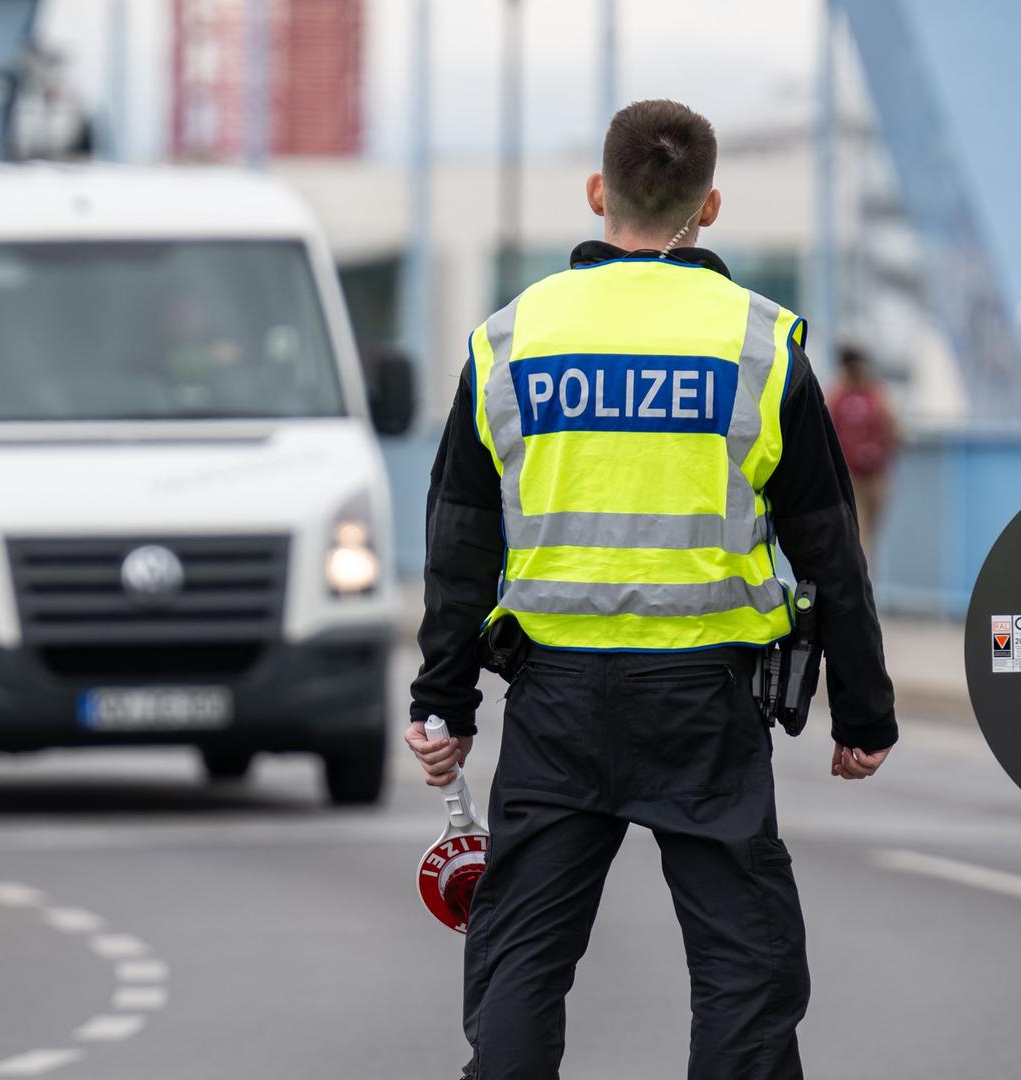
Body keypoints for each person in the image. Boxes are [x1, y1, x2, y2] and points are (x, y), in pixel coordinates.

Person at [404, 99, 898, 1080]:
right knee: (742, 968)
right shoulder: (758, 345)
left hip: (555, 702)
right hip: (705, 707)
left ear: (599, 194)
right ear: (709, 206)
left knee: (521, 961)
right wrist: (865, 709)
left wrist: (442, 700)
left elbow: (460, 538)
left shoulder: (509, 340)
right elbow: (828, 547)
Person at [827, 344, 900, 556]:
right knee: (867, 535)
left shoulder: (836, 394)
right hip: (875, 476)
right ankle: (865, 583)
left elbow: (824, 430)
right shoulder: (876, 394)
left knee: (858, 532)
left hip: (848, 474)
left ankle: (860, 582)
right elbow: (894, 430)